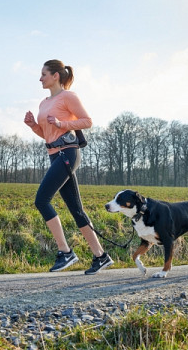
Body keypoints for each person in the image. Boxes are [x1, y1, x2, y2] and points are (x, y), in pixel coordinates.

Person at [24, 59, 114, 275]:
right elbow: (47, 135)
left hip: (68, 153)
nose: (40, 78)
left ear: (56, 76)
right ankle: (101, 256)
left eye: (44, 74)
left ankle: (65, 252)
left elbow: (87, 121)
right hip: (54, 156)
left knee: (42, 200)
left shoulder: (68, 97)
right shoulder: (43, 103)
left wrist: (62, 124)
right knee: (76, 210)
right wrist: (34, 126)